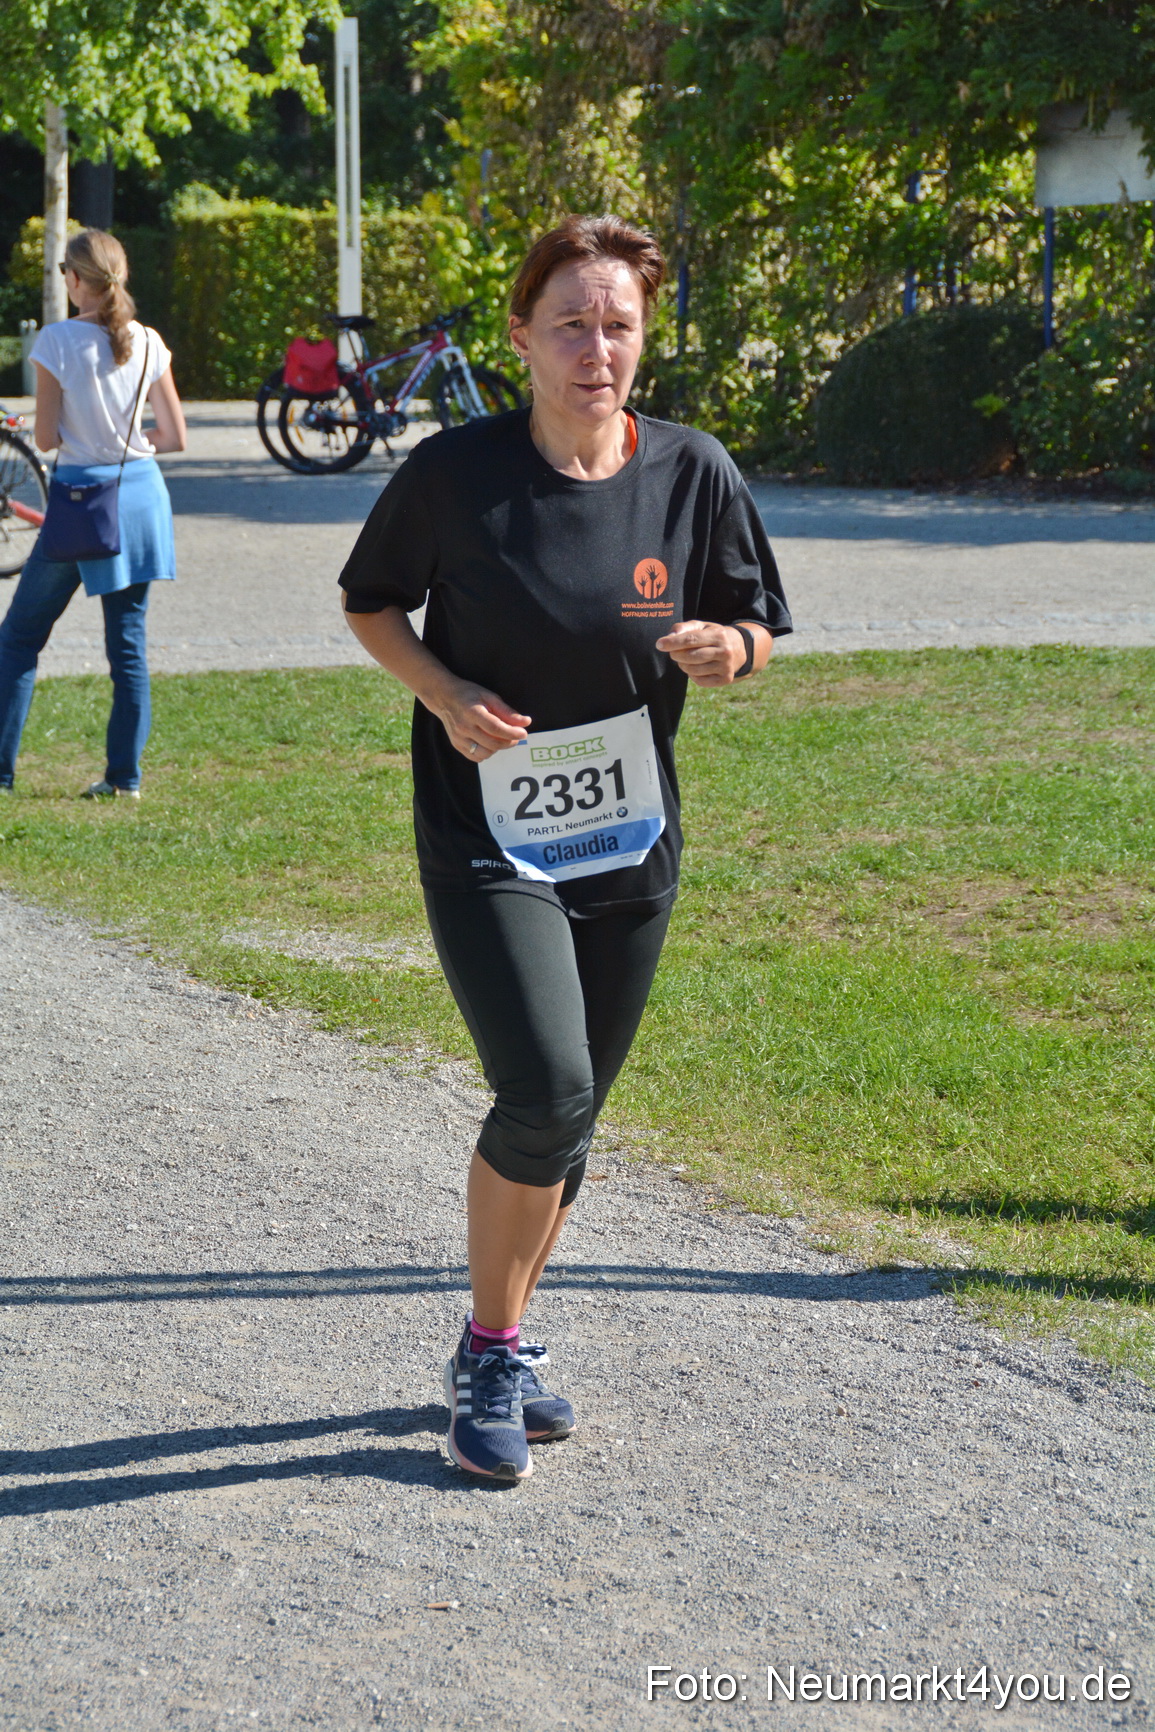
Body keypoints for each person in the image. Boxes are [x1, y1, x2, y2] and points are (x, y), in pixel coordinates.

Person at [340, 214, 791, 1481]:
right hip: (488, 829)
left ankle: (500, 1335)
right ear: (523, 337)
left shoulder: (693, 471)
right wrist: (443, 693)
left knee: (573, 1119)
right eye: (572, 324)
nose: (598, 349)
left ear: (644, 336)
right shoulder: (455, 475)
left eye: (619, 325)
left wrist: (731, 649)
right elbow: (370, 601)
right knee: (543, 1088)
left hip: (628, 839)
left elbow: (758, 620)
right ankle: (492, 1354)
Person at [0, 227, 186, 798]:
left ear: (75, 279)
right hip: (142, 497)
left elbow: (46, 438)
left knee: (19, 637)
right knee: (127, 646)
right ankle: (124, 779)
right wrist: (127, 441)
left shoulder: (56, 341)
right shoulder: (149, 341)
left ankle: (1, 772)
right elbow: (174, 435)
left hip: (83, 504)